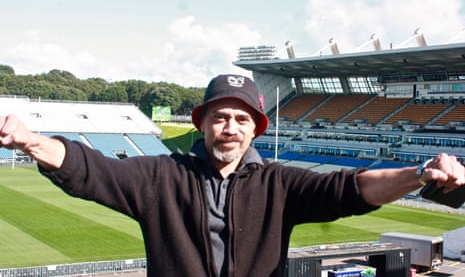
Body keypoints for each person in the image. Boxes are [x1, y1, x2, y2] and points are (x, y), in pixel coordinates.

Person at [0, 74, 464, 277]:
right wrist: (29, 140)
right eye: (221, 117)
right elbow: (88, 169)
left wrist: (418, 173)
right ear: (201, 123)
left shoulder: (280, 184)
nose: (231, 127)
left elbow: (352, 188)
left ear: (254, 129)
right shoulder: (159, 177)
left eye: (242, 120)